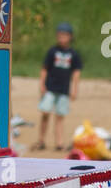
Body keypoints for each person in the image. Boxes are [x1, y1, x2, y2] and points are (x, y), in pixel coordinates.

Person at [34, 23, 82, 151]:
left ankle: (59, 142)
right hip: (50, 87)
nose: (61, 38)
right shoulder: (52, 51)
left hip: (64, 90)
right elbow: (44, 68)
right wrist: (42, 83)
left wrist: (74, 89)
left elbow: (76, 73)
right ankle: (41, 140)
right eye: (59, 35)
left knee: (60, 116)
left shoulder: (73, 54)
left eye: (64, 35)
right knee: (45, 113)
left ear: (70, 37)